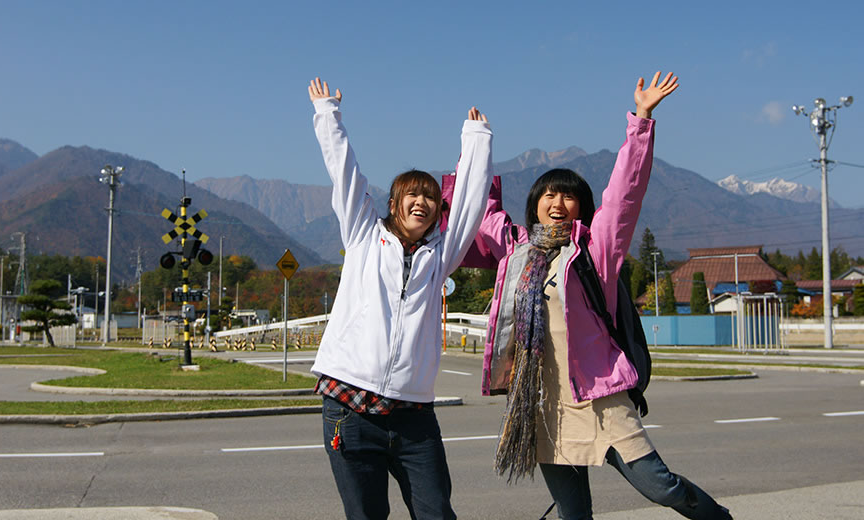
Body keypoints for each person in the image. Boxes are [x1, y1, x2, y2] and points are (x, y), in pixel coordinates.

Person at [443, 72, 732, 519]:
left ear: (582, 207)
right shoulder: (516, 248)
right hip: (540, 400)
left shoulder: (595, 249)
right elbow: (479, 211)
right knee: (572, 512)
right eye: (549, 194)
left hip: (599, 397)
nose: (558, 202)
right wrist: (474, 149)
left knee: (660, 486)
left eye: (569, 197)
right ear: (536, 202)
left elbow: (625, 196)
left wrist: (641, 119)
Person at [307, 77, 493, 520]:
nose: (422, 202)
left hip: (413, 415)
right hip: (349, 405)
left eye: (430, 197)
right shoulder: (363, 234)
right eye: (413, 194)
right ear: (393, 203)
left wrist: (477, 141)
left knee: (436, 514)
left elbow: (469, 203)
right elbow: (345, 174)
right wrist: (328, 114)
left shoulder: (441, 254)